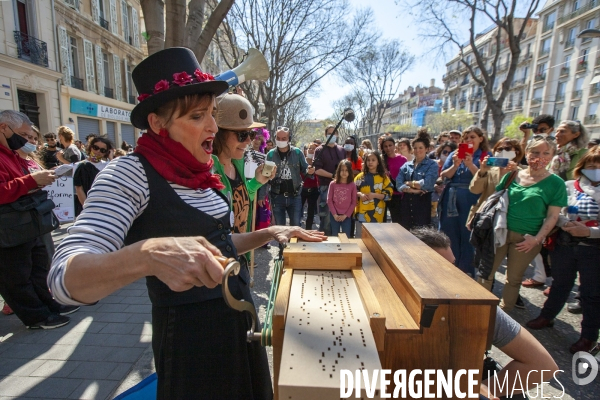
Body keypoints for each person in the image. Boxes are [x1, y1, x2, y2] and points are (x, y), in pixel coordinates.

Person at [48, 48, 326, 399]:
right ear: (157, 123)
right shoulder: (129, 174)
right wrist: (146, 255)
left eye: (211, 113)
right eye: (197, 116)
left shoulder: (200, 171)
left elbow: (217, 245)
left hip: (237, 321)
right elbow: (62, 279)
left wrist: (270, 233)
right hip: (193, 344)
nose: (212, 126)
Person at [410, 226, 559, 400]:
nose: (453, 276)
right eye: (439, 269)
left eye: (452, 266)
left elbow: (542, 365)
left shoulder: (474, 307)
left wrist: (477, 389)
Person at [0, 110, 77, 330]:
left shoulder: (12, 154)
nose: (27, 140)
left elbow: (20, 183)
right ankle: (36, 316)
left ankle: (48, 306)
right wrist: (30, 181)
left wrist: (37, 181)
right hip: (9, 226)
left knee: (38, 266)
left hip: (25, 221)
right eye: (23, 134)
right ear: (4, 128)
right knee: (16, 275)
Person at [478, 138, 567, 311]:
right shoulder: (514, 174)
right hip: (500, 232)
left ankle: (504, 313)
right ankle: (480, 309)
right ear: (527, 153)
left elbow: (552, 216)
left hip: (527, 239)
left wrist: (536, 239)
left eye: (545, 153)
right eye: (534, 152)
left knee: (513, 279)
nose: (539, 157)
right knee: (486, 272)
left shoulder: (556, 184)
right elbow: (496, 198)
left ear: (552, 156)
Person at [526, 146, 600, 354]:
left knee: (591, 294)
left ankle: (588, 337)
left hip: (593, 249)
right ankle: (547, 316)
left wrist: (589, 232)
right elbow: (555, 210)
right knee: (560, 283)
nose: (594, 170)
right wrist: (565, 222)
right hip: (565, 243)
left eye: (598, 166)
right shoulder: (569, 186)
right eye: (590, 165)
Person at [212, 93, 270, 236]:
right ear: (218, 133)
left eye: (250, 134)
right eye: (242, 135)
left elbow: (240, 202)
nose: (248, 141)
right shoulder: (208, 172)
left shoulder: (238, 164)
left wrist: (257, 182)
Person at [440, 126, 491, 276]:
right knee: (450, 234)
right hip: (451, 199)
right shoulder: (455, 154)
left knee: (469, 236)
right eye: (466, 138)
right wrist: (456, 165)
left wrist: (470, 165)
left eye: (472, 137)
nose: (469, 140)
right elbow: (444, 175)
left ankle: (467, 271)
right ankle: (450, 268)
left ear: (480, 139)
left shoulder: (485, 156)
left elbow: (487, 179)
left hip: (472, 200)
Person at [467, 138, 523, 228]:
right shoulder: (489, 170)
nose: (503, 151)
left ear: (516, 152)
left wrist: (516, 173)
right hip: (485, 217)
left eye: (507, 149)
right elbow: (474, 190)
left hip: (509, 218)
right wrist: (482, 171)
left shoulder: (522, 172)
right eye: (499, 149)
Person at [266, 126, 313, 227]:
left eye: (283, 139)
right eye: (278, 138)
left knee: (296, 226)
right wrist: (262, 196)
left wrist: (310, 171)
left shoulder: (297, 153)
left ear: (289, 139)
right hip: (277, 196)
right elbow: (265, 177)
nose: (280, 141)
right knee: (279, 228)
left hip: (295, 196)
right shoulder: (270, 155)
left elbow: (305, 170)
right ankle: (282, 244)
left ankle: (294, 244)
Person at [396, 131, 439, 230]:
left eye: (420, 148)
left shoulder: (432, 165)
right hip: (406, 204)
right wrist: (413, 190)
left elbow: (427, 184)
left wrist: (408, 183)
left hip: (423, 204)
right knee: (406, 232)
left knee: (421, 234)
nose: (417, 150)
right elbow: (398, 183)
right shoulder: (406, 165)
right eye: (415, 148)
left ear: (427, 149)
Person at [314, 125, 346, 235]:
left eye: (334, 133)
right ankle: (325, 240)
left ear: (337, 135)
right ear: (325, 135)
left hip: (341, 187)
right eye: (329, 133)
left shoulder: (342, 150)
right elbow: (317, 170)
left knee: (338, 215)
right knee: (326, 216)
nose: (332, 135)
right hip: (326, 186)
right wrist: (333, 176)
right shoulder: (319, 150)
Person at [354, 151, 393, 236]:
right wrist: (360, 194)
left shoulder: (383, 178)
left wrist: (374, 195)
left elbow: (389, 195)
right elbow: (352, 191)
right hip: (361, 213)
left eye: (373, 160)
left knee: (377, 238)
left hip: (377, 214)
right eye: (368, 160)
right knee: (361, 237)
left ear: (378, 162)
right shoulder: (360, 177)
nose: (370, 162)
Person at [73, 137, 114, 216]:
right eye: (96, 148)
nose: (98, 151)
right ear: (91, 147)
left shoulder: (108, 165)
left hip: (105, 205)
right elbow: (79, 188)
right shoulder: (80, 165)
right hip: (87, 206)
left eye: (102, 150)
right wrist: (88, 208)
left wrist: (111, 158)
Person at [245, 127, 272, 232]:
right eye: (255, 138)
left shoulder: (265, 157)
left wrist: (261, 195)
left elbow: (265, 177)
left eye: (259, 139)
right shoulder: (244, 153)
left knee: (258, 215)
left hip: (259, 186)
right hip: (245, 184)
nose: (256, 141)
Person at [380, 136, 407, 224]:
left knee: (397, 220)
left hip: (398, 194)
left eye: (390, 145)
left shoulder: (403, 159)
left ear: (394, 146)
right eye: (385, 146)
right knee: (381, 221)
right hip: (383, 194)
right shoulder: (381, 160)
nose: (388, 148)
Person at [327, 160, 357, 236]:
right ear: (338, 171)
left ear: (350, 172)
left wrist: (346, 215)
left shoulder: (352, 185)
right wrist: (334, 214)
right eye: (342, 170)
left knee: (346, 236)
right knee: (335, 235)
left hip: (346, 216)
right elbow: (329, 200)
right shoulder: (333, 184)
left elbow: (353, 202)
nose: (344, 172)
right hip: (334, 215)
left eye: (346, 170)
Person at [301, 142, 320, 230]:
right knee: (298, 210)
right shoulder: (301, 160)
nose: (311, 150)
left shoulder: (318, 162)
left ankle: (308, 229)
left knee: (311, 211)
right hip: (302, 189)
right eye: (310, 148)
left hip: (313, 189)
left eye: (314, 149)